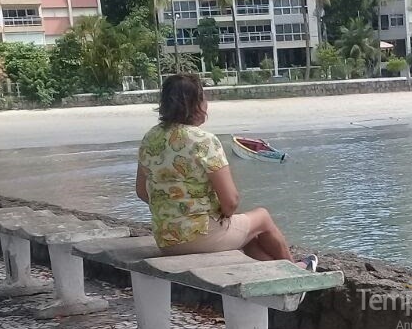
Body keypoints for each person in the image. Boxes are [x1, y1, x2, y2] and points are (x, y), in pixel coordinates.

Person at [135, 74, 314, 269]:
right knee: (262, 217)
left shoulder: (150, 138)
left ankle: (280, 273)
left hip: (166, 240)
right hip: (199, 237)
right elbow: (231, 202)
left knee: (248, 235)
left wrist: (173, 208)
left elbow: (142, 192)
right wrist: (218, 214)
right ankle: (295, 273)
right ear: (195, 103)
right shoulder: (204, 141)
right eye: (203, 98)